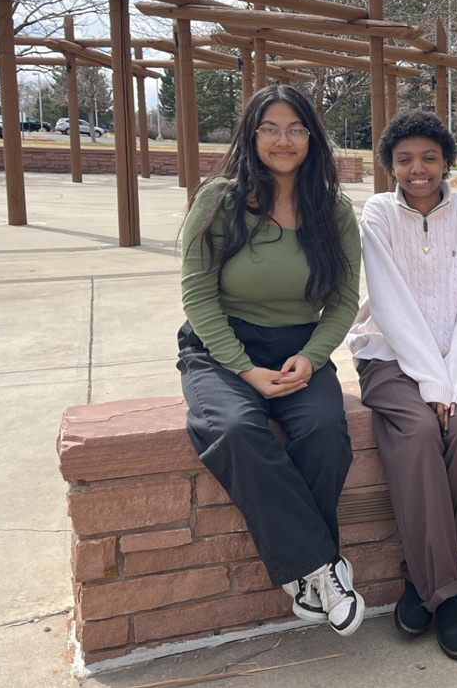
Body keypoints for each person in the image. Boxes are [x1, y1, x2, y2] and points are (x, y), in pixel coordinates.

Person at [176, 85, 364, 635]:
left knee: (326, 431)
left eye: (296, 129)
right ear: (251, 135)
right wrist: (243, 369)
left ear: (313, 137)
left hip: (300, 349)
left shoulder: (334, 210)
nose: (284, 140)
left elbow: (345, 301)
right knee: (234, 429)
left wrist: (311, 357)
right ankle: (323, 568)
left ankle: (309, 579)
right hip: (221, 349)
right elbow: (197, 295)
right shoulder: (219, 200)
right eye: (270, 128)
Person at [346, 110, 457, 660]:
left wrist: (452, 383)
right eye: (404, 160)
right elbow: (391, 306)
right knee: (415, 432)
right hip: (389, 357)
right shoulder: (379, 212)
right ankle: (449, 594)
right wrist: (432, 385)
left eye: (429, 158)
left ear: (447, 162)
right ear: (389, 166)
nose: (418, 169)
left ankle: (420, 580)